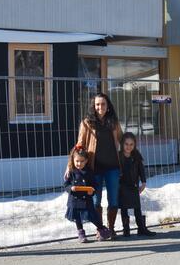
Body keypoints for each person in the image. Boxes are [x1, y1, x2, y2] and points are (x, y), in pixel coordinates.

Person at [75, 93, 123, 239]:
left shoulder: (114, 122)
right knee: (96, 200)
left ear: (108, 107)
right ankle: (100, 229)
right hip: (94, 168)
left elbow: (122, 139)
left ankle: (112, 228)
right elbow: (79, 146)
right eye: (97, 104)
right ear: (93, 106)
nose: (100, 107)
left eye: (103, 104)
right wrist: (70, 165)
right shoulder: (86, 123)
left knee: (113, 199)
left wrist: (133, 157)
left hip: (112, 167)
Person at [64, 146, 111, 243]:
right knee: (77, 217)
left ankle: (102, 229)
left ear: (86, 161)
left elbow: (94, 185)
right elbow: (66, 185)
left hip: (86, 199)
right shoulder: (71, 172)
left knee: (92, 215)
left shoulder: (89, 172)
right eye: (77, 161)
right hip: (74, 199)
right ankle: (81, 234)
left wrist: (92, 191)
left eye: (82, 161)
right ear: (73, 159)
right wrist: (71, 188)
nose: (79, 164)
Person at [118, 132, 156, 237]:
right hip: (122, 186)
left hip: (134, 185)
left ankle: (141, 228)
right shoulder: (119, 156)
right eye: (126, 144)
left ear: (134, 145)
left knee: (137, 207)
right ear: (122, 144)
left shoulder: (136, 156)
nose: (128, 147)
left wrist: (143, 182)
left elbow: (141, 170)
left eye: (131, 144)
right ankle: (126, 229)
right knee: (124, 208)